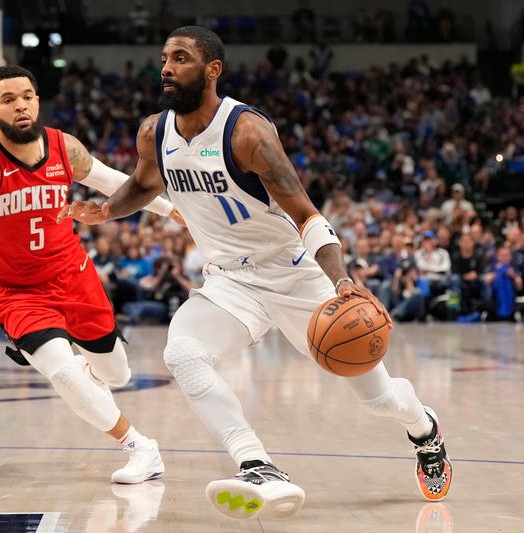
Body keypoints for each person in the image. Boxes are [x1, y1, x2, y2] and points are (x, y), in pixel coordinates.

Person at [60, 26, 452, 519]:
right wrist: (106, 209)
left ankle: (423, 427)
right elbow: (142, 184)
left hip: (295, 275)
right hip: (229, 280)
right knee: (182, 352)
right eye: (164, 57)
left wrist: (342, 279)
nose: (166, 67)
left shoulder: (248, 133)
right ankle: (256, 463)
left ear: (212, 70)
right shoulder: (153, 131)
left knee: (379, 400)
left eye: (180, 58)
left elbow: (308, 214)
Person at [0, 64, 181, 484]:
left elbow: (109, 180)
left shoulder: (62, 146)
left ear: (37, 101)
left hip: (73, 275)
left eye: (27, 96)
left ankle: (94, 376)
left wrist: (169, 209)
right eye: (8, 99)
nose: (20, 105)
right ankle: (140, 447)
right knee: (62, 371)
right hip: (17, 292)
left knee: (117, 375)